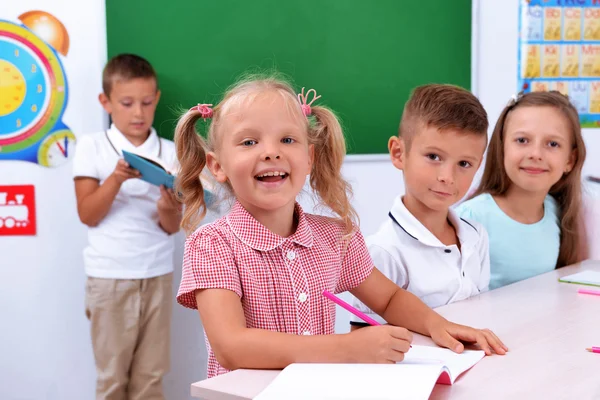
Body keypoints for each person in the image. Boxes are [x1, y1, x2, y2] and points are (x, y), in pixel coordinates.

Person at [174, 75, 507, 378]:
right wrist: (348, 349)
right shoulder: (211, 245)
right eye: (249, 143)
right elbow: (232, 348)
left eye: (288, 140)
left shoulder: (335, 237)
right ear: (218, 166)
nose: (271, 152)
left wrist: (440, 326)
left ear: (310, 158)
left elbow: (389, 299)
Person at [72, 53, 181, 399]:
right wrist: (116, 179)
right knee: (113, 379)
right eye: (127, 103)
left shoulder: (170, 150)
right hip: (109, 277)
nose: (138, 112)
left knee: (150, 377)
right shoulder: (92, 146)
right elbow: (88, 214)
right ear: (106, 102)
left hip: (157, 273)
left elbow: (172, 226)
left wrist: (169, 206)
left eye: (147, 103)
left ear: (157, 99)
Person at [351, 84, 491, 327]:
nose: (447, 176)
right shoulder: (383, 251)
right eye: (434, 157)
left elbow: (481, 312)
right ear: (398, 153)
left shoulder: (476, 236)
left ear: (478, 166)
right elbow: (362, 337)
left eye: (464, 164)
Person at [456, 91, 588, 289]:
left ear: (569, 160)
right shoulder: (471, 217)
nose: (535, 154)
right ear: (502, 149)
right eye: (522, 140)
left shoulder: (559, 213)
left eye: (552, 144)